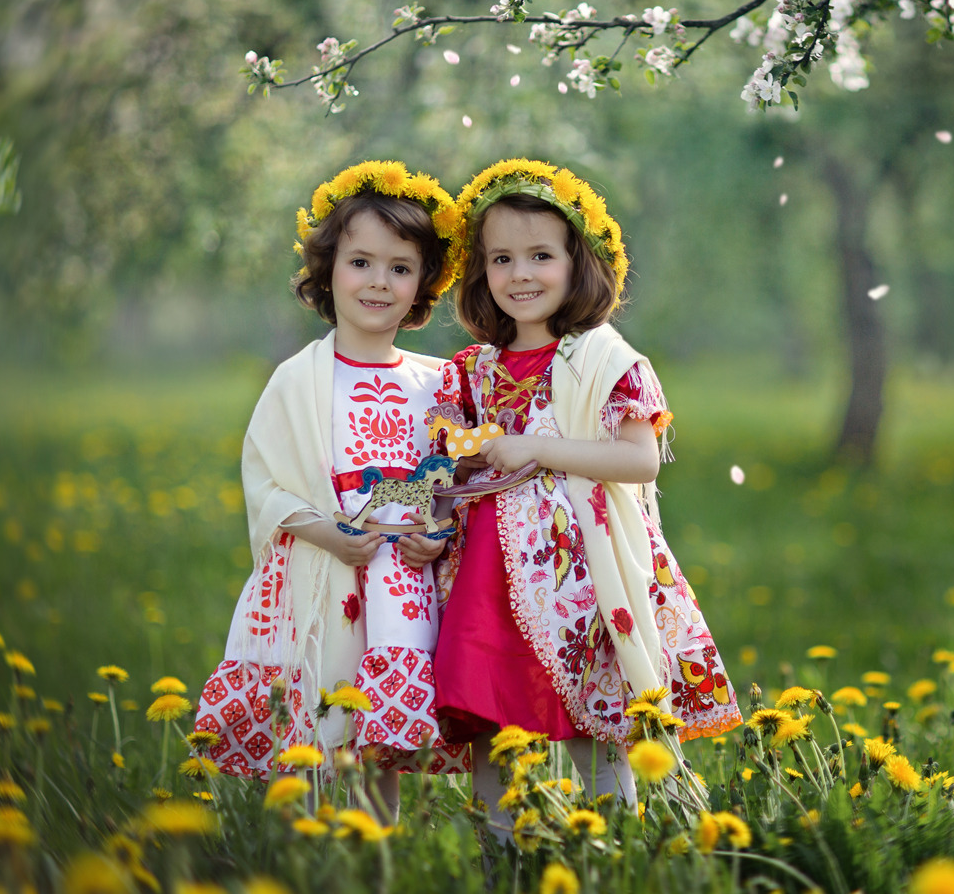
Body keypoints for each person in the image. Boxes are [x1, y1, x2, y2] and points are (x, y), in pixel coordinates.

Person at [428, 158, 741, 833]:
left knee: (589, 724)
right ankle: (502, 862)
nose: (520, 274)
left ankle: (613, 856)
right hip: (486, 578)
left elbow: (639, 459)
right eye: (501, 258)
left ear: (578, 263)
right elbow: (444, 463)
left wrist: (537, 449)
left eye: (541, 255)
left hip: (579, 578)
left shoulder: (605, 361)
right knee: (487, 723)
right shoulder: (471, 370)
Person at [193, 160, 470, 822]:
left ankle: (375, 844)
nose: (379, 282)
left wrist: (438, 534)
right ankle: (300, 841)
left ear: (423, 284)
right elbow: (265, 479)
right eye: (361, 263)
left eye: (400, 268)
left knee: (381, 733)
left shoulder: (437, 383)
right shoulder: (299, 379)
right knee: (317, 706)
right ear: (329, 269)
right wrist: (328, 532)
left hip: (400, 580)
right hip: (322, 567)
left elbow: (451, 481)